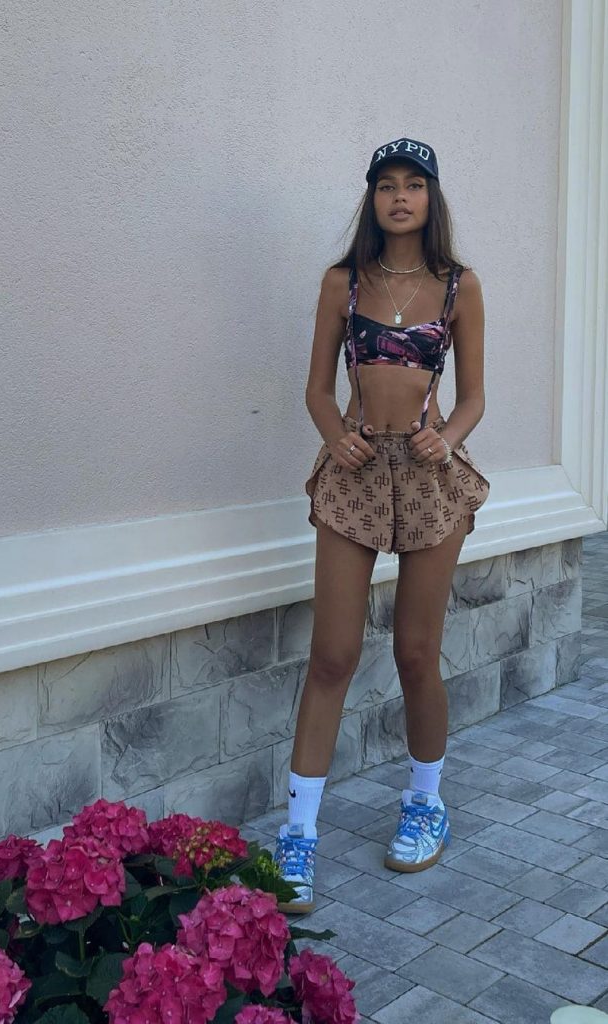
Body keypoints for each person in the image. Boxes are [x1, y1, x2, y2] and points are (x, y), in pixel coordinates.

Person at [273, 137, 491, 914]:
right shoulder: (343, 282)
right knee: (332, 655)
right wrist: (335, 437)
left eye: (414, 185)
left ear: (431, 198)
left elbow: (473, 396)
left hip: (429, 482)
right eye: (387, 185)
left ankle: (426, 803)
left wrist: (449, 437)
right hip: (357, 475)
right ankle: (299, 832)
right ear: (372, 198)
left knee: (416, 652)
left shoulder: (460, 286)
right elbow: (316, 389)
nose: (400, 197)